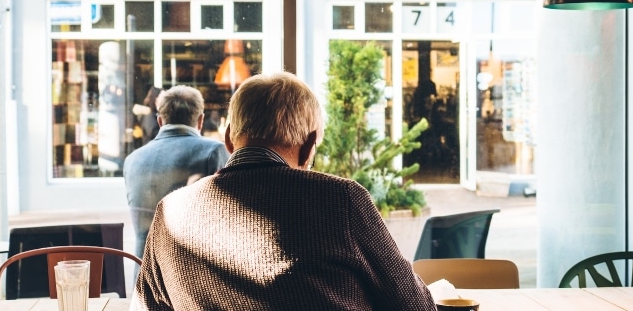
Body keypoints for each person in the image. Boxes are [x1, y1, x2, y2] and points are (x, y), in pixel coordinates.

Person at [132, 72, 436, 310]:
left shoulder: (170, 212)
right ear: (307, 148)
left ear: (228, 139)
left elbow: (147, 306)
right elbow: (414, 306)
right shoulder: (341, 201)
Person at [123, 85, 230, 259]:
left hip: (143, 274)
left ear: (159, 121)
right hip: (190, 275)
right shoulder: (213, 152)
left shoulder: (132, 160)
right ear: (201, 120)